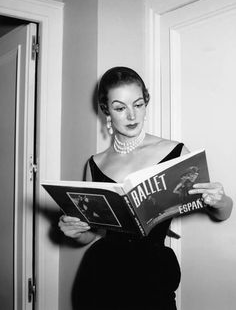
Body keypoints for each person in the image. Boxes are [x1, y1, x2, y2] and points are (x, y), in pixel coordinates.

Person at [58, 66, 233, 310]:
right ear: (106, 110)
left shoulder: (175, 153)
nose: (131, 116)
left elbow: (223, 212)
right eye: (120, 108)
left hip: (153, 279)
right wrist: (76, 232)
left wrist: (220, 200)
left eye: (138, 104)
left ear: (146, 103)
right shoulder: (94, 164)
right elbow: (94, 234)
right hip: (100, 278)